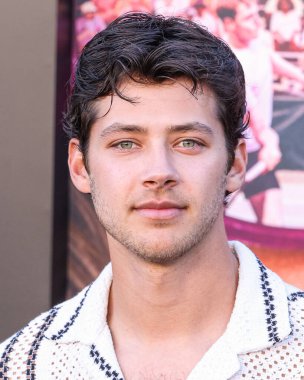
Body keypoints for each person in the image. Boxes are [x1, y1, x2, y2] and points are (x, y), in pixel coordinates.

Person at [1, 12, 304, 379]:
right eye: (126, 143)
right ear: (80, 166)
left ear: (236, 164)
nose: (159, 172)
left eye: (188, 142)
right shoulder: (21, 365)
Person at [218, 0, 304, 226]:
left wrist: (266, 142)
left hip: (254, 152)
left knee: (272, 224)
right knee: (209, 227)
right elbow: (250, 113)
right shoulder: (224, 58)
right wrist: (270, 140)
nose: (257, 22)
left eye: (257, 16)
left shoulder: (260, 49)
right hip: (227, 156)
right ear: (229, 22)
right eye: (248, 18)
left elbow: (291, 72)